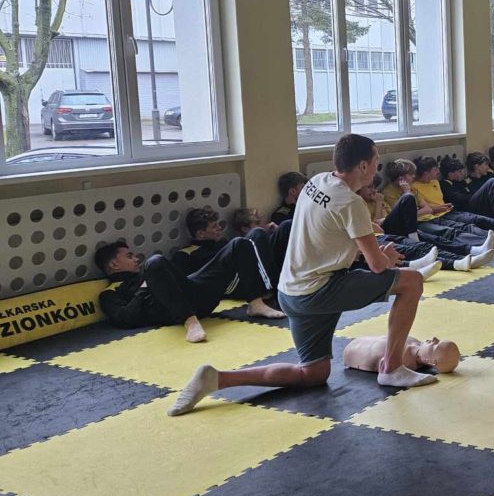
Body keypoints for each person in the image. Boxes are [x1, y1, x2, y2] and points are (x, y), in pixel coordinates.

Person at [167, 134, 441, 418]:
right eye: (375, 161)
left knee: (313, 373)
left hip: (290, 292)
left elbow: (327, 235)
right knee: (411, 281)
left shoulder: (316, 182)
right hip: (319, 291)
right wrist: (387, 257)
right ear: (362, 166)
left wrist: (366, 245)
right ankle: (392, 368)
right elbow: (378, 267)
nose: (376, 168)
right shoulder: (352, 203)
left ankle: (218, 379)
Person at [95, 235, 282, 344]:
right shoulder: (110, 292)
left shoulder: (146, 272)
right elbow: (125, 318)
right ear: (114, 264)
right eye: (129, 256)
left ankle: (256, 303)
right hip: (171, 311)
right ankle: (190, 323)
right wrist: (144, 289)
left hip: (196, 296)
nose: (136, 259)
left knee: (239, 243)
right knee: (154, 261)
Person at [358, 179, 492, 273]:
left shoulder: (380, 197)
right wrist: (378, 204)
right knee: (419, 245)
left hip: (392, 227)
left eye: (374, 187)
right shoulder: (363, 202)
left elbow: (385, 220)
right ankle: (457, 262)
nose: (374, 191)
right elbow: (376, 225)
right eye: (369, 187)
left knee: (409, 200)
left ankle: (472, 251)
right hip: (381, 233)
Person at [413, 156, 494, 249]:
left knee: (482, 219)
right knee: (463, 228)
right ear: (426, 172)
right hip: (440, 214)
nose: (438, 172)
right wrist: (439, 207)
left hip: (448, 212)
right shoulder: (416, 187)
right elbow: (425, 207)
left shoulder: (435, 182)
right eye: (435, 170)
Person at [343, 336, 461, 374]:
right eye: (438, 340)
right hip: (358, 342)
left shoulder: (400, 361)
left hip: (351, 353)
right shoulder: (413, 341)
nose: (434, 339)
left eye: (436, 345)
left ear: (431, 362)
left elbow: (383, 365)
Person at [172, 208, 227, 275]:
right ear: (201, 234)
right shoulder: (185, 256)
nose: (220, 228)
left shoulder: (224, 245)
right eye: (214, 226)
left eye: (218, 224)